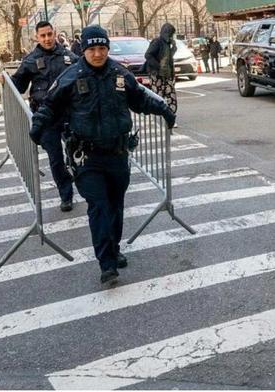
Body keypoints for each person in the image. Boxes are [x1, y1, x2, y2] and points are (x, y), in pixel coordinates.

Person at [30, 25, 176, 285]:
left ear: (107, 48)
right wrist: (37, 128)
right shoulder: (70, 76)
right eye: (92, 49)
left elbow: (140, 98)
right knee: (99, 207)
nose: (97, 54)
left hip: (118, 153)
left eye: (102, 48)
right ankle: (106, 264)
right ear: (84, 50)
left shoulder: (119, 74)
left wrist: (163, 109)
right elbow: (50, 106)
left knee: (116, 206)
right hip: (88, 158)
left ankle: (114, 247)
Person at [1, 21, 79, 212]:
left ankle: (76, 175)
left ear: (55, 34)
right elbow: (17, 87)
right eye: (42, 35)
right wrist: (6, 82)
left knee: (77, 152)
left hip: (70, 115)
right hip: (46, 118)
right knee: (55, 158)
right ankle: (66, 194)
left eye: (49, 34)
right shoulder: (30, 60)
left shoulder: (70, 57)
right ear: (37, 37)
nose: (47, 38)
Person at [144, 23, 178, 114]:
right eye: (171, 34)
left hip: (167, 74)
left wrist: (174, 48)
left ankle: (170, 116)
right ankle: (160, 115)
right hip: (156, 74)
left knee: (171, 95)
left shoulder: (168, 44)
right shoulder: (157, 42)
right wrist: (158, 66)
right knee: (158, 96)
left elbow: (168, 59)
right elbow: (148, 55)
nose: (172, 36)